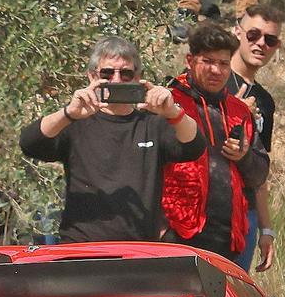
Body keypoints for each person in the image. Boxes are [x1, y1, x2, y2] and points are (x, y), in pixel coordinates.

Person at [19, 36, 200, 242]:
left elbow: (194, 147)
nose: (116, 80)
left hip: (139, 252)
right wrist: (68, 113)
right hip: (82, 249)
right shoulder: (76, 122)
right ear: (91, 76)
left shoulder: (153, 123)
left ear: (137, 77)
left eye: (125, 73)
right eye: (107, 73)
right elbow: (30, 143)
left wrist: (173, 112)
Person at [162, 23, 263, 262]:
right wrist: (161, 229)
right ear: (190, 60)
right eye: (207, 61)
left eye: (224, 63)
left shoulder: (240, 111)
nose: (216, 70)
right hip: (178, 237)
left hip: (229, 241)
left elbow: (259, 175)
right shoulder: (168, 104)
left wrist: (245, 157)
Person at [228, 5, 284, 272]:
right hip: (206, 209)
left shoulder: (265, 101)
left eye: (269, 39)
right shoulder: (214, 80)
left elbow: (260, 172)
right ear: (237, 33)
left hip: (246, 216)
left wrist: (267, 229)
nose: (261, 43)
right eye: (253, 34)